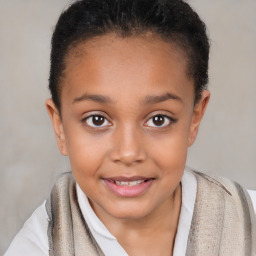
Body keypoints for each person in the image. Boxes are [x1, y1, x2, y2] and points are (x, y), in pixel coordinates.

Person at [5, 0, 256, 255]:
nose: (128, 152)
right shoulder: (36, 248)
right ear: (60, 127)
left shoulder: (247, 224)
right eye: (97, 120)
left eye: (159, 119)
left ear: (195, 117)